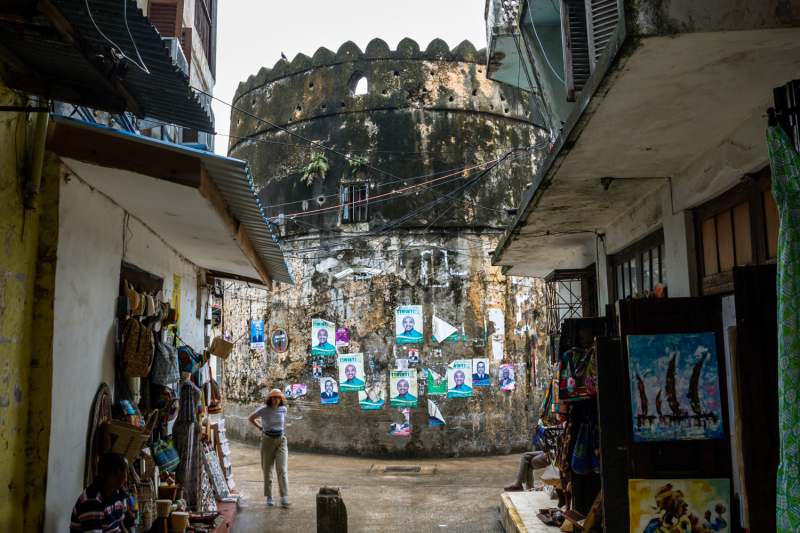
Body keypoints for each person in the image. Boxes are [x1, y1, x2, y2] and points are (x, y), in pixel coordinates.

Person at [70, 451, 135, 532]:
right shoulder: (93, 501)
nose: (126, 478)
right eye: (126, 472)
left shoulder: (114, 493)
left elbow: (121, 526)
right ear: (118, 474)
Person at [248, 389, 291, 507]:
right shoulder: (264, 410)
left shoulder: (283, 410)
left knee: (282, 469)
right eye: (274, 397)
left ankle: (284, 496)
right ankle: (269, 496)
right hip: (267, 442)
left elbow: (280, 425)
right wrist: (261, 428)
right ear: (270, 399)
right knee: (268, 470)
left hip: (281, 441)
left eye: (279, 398)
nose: (277, 400)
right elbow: (251, 418)